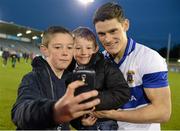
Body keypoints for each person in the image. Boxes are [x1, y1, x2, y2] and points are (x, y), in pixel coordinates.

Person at [91, 2, 171, 130]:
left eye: (113, 31)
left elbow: (163, 112)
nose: (108, 39)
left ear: (125, 25)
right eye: (101, 34)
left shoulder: (149, 58)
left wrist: (114, 115)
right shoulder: (98, 60)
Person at [11, 26, 100, 130]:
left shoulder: (71, 80)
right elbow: (20, 112)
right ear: (45, 50)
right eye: (58, 47)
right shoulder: (32, 78)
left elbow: (68, 117)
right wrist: (54, 111)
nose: (65, 53)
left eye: (70, 47)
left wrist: (81, 122)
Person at [69, 27, 130, 130]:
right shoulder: (68, 70)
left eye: (88, 48)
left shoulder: (105, 66)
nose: (84, 52)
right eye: (78, 48)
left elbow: (123, 93)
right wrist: (80, 122)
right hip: (85, 125)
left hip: (104, 123)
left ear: (96, 48)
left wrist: (94, 100)